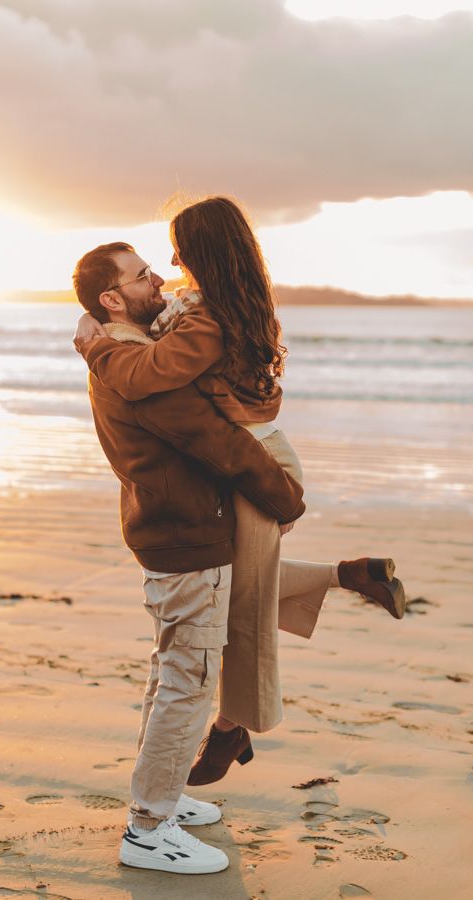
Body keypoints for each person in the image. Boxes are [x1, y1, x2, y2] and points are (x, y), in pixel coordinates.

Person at [74, 197, 406, 786]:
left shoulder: (201, 320)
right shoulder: (206, 309)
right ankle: (352, 575)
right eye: (149, 266)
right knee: (245, 587)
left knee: (246, 603)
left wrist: (95, 343)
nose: (167, 263)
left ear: (204, 252)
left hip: (262, 461)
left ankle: (231, 727)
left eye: (176, 250)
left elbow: (153, 383)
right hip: (259, 455)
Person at [72, 241, 307, 875]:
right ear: (112, 299)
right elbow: (220, 444)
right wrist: (285, 496)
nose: (160, 282)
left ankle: (162, 798)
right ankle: (148, 830)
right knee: (188, 681)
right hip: (186, 536)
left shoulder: (124, 354)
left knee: (171, 671)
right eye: (142, 277)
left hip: (169, 530)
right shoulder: (134, 368)